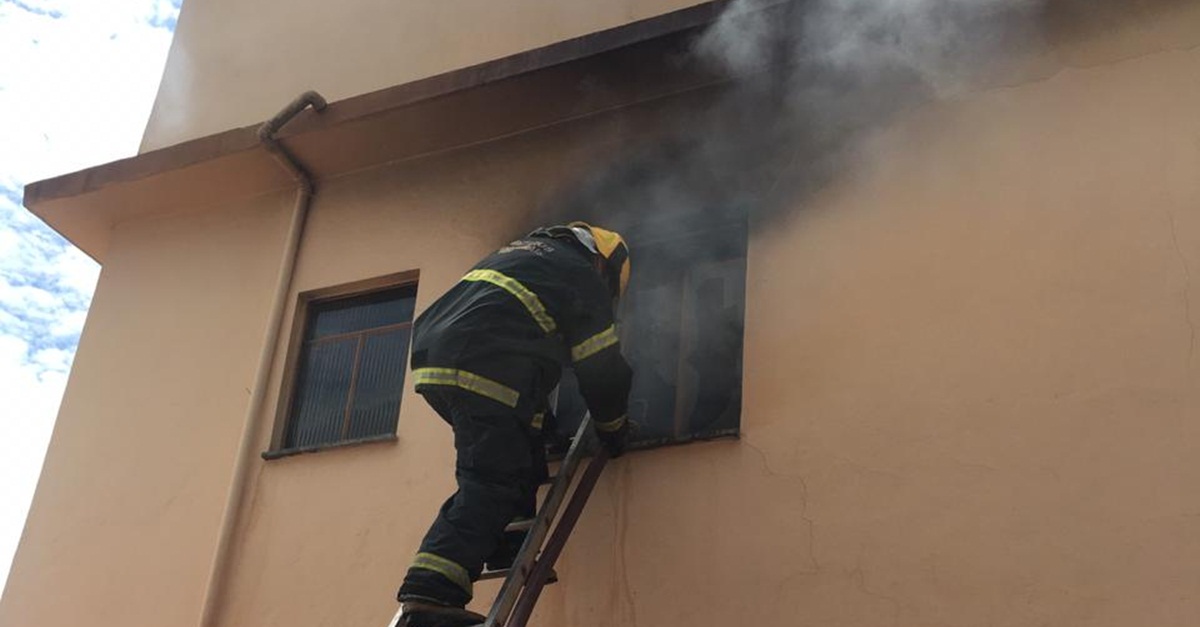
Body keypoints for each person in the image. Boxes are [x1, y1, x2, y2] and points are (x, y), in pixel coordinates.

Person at [395, 222, 634, 627]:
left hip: (442, 357)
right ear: (602, 263)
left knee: (520, 443)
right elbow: (601, 367)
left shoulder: (520, 259)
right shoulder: (580, 275)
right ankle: (429, 600)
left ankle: (508, 542)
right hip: (485, 362)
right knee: (490, 480)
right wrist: (613, 429)